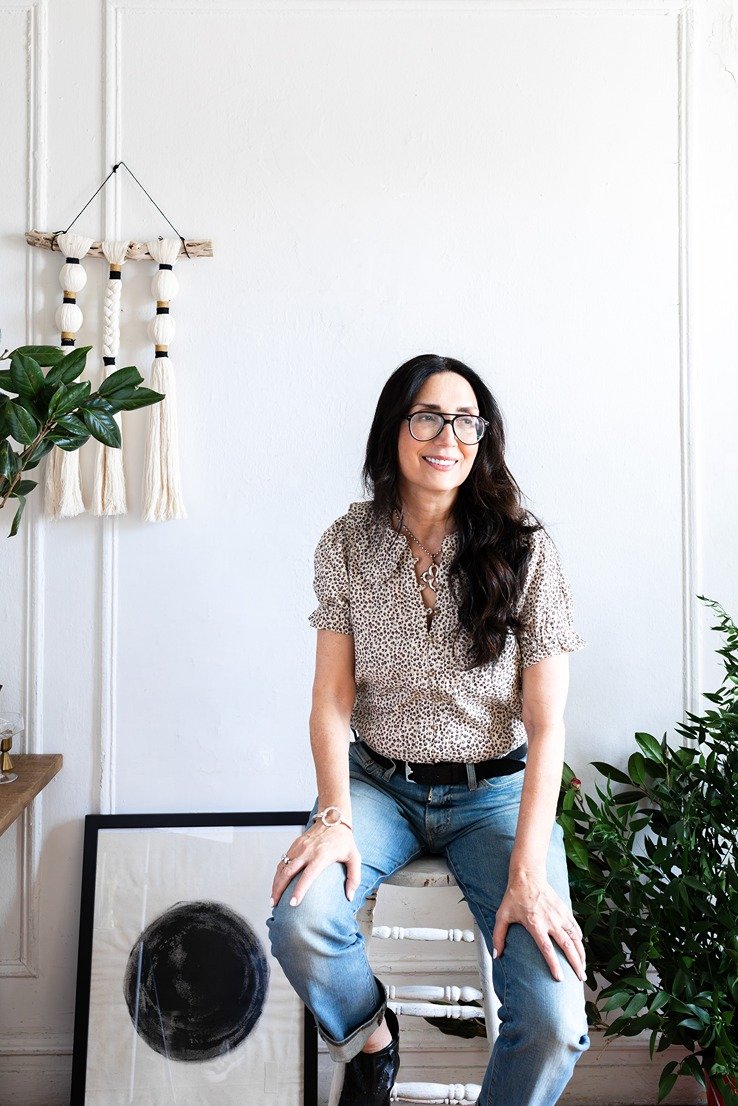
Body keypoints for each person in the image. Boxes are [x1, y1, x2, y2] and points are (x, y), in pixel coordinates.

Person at [267, 354, 591, 1106]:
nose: (449, 435)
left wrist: (529, 874)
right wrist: (333, 813)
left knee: (553, 1019)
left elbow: (548, 728)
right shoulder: (347, 542)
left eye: (467, 420)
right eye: (428, 416)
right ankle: (372, 1037)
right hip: (380, 785)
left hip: (495, 797)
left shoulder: (525, 549)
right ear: (394, 430)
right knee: (299, 920)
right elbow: (331, 698)